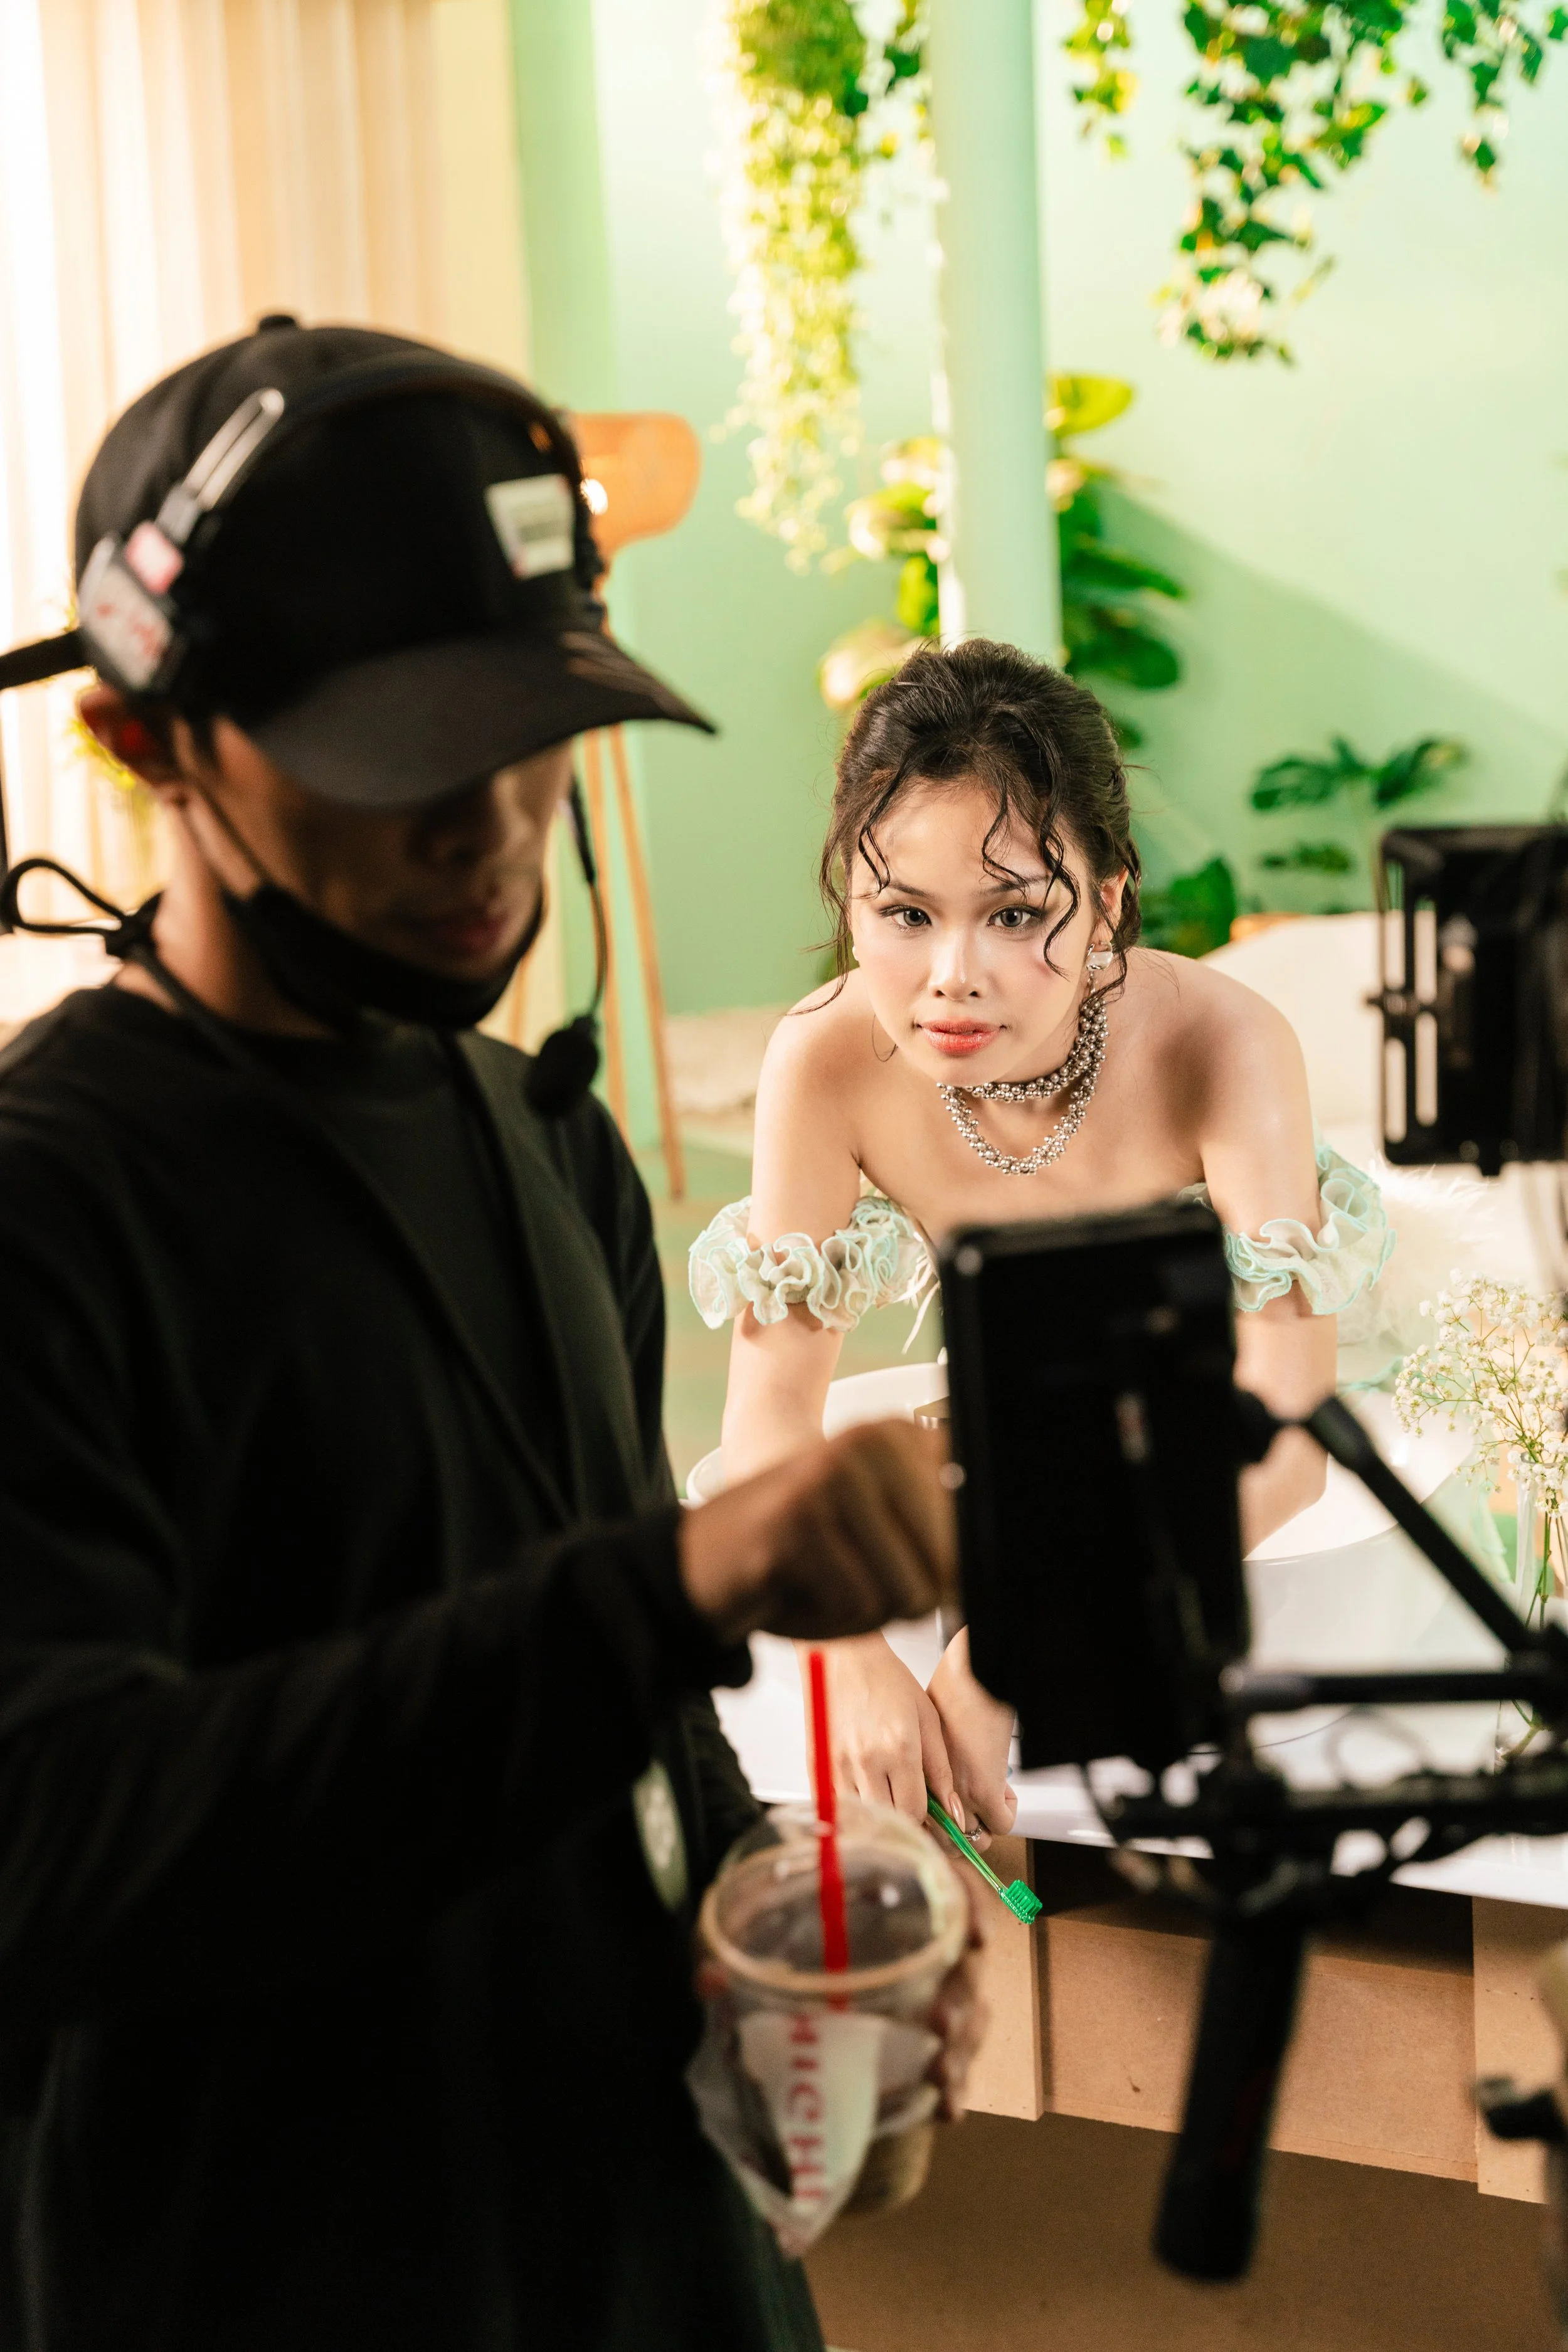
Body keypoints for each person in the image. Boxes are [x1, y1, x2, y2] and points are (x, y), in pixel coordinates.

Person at [0, 319, 982, 2352]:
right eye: (400, 757)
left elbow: (577, 1717)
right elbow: (61, 1842)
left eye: (533, 730)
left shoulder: (551, 1156)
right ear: (148, 741)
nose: (493, 823)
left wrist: (769, 1909)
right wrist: (681, 1578)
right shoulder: (54, 1207)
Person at [692, 639, 1393, 1846]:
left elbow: (1284, 1441)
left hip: (1238, 1473)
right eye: (903, 914)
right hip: (1018, 1442)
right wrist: (847, 1653)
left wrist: (1010, 1657)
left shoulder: (1220, 1044)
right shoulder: (824, 1058)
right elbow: (764, 1422)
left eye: (1017, 912)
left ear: (1111, 897)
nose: (951, 979)